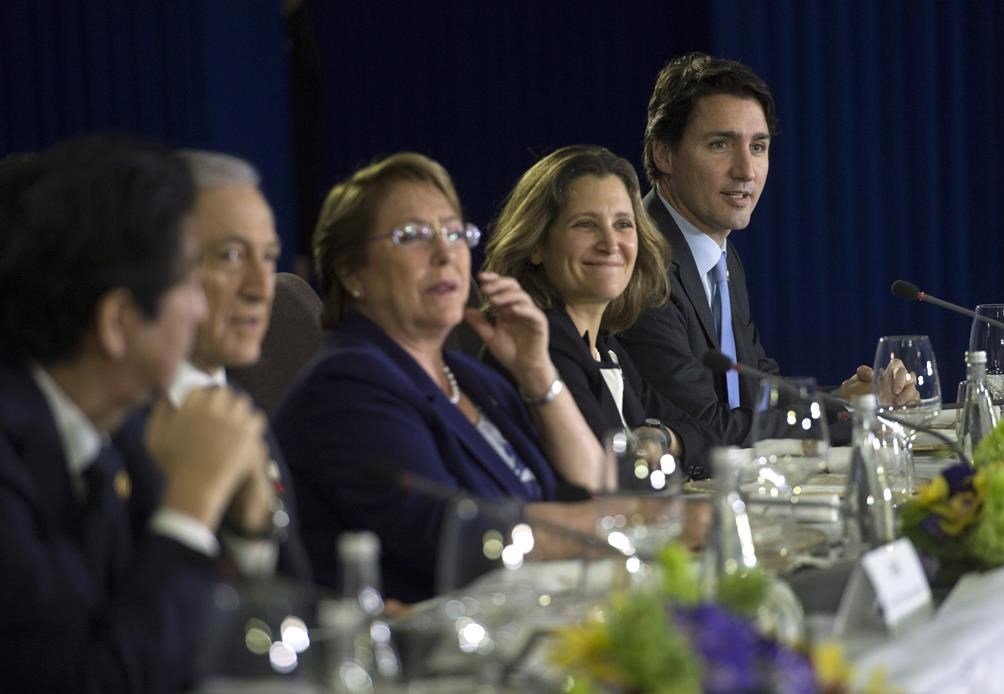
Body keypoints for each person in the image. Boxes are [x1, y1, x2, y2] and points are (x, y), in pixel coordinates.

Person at [272, 152, 614, 603]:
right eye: (413, 236)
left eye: (455, 233)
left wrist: (537, 372)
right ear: (351, 270)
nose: (444, 254)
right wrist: (633, 523)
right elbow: (454, 537)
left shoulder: (473, 378)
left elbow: (588, 488)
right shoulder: (345, 387)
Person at [0, 136, 268, 692]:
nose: (200, 309)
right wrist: (192, 506)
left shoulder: (111, 433)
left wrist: (245, 526)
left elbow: (218, 642)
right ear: (119, 320)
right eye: (187, 284)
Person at [619, 53, 916, 446]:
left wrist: (846, 402)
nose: (746, 170)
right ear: (664, 154)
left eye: (758, 147)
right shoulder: (640, 259)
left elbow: (756, 388)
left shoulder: (717, 251)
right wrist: (854, 421)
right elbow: (709, 425)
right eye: (720, 144)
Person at [114, 149, 311, 580]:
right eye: (230, 256)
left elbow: (286, 588)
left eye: (269, 256)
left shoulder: (239, 403)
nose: (262, 289)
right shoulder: (114, 422)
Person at [483, 145, 719, 480]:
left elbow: (707, 438)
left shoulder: (605, 348)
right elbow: (608, 482)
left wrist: (662, 437)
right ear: (537, 244)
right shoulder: (540, 343)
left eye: (623, 224)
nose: (610, 244)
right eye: (585, 225)